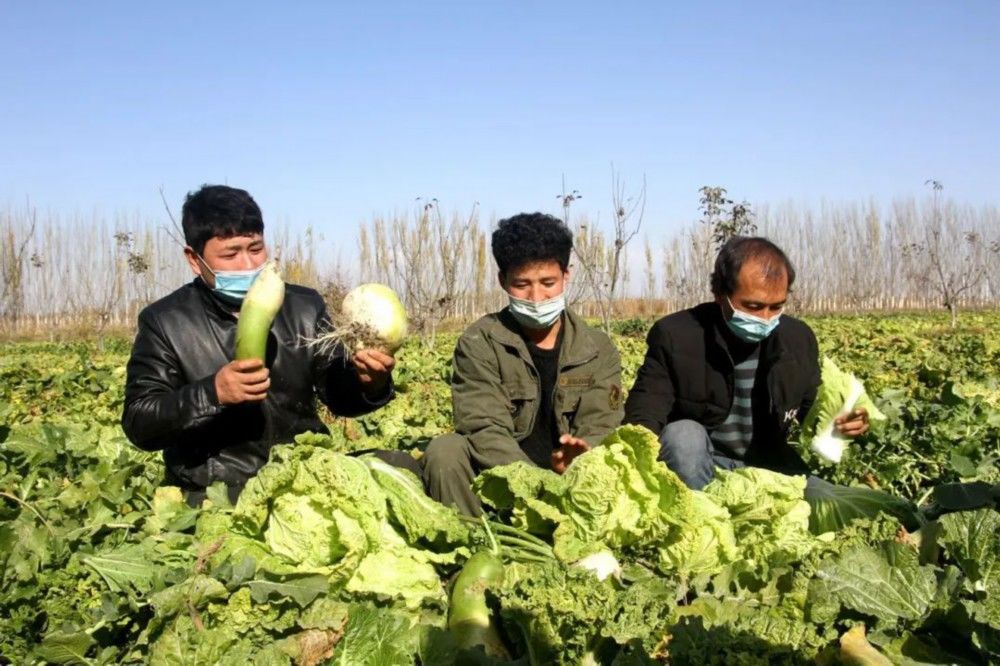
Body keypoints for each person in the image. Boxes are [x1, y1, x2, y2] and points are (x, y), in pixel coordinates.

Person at [122, 185, 419, 505]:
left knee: (403, 468)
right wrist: (212, 393)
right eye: (231, 254)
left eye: (255, 248)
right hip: (219, 490)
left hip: (304, 473)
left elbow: (339, 397)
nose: (248, 264)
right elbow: (140, 422)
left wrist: (369, 384)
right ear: (195, 260)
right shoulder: (165, 322)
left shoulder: (304, 307)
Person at [624, 236, 869, 490]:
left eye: (776, 307)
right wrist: (629, 469)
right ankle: (698, 515)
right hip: (703, 464)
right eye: (752, 306)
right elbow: (645, 412)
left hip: (769, 467)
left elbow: (813, 408)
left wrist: (845, 420)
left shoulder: (797, 339)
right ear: (720, 294)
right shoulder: (677, 335)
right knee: (682, 436)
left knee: (834, 502)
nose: (764, 318)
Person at [422, 212, 624, 515]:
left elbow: (603, 423)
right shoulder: (480, 342)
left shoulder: (597, 348)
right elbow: (483, 428)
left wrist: (581, 455)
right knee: (445, 451)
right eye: (522, 284)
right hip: (502, 480)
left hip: (573, 484)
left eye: (548, 283)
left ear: (566, 276)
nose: (536, 297)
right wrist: (534, 484)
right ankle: (475, 542)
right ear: (503, 281)